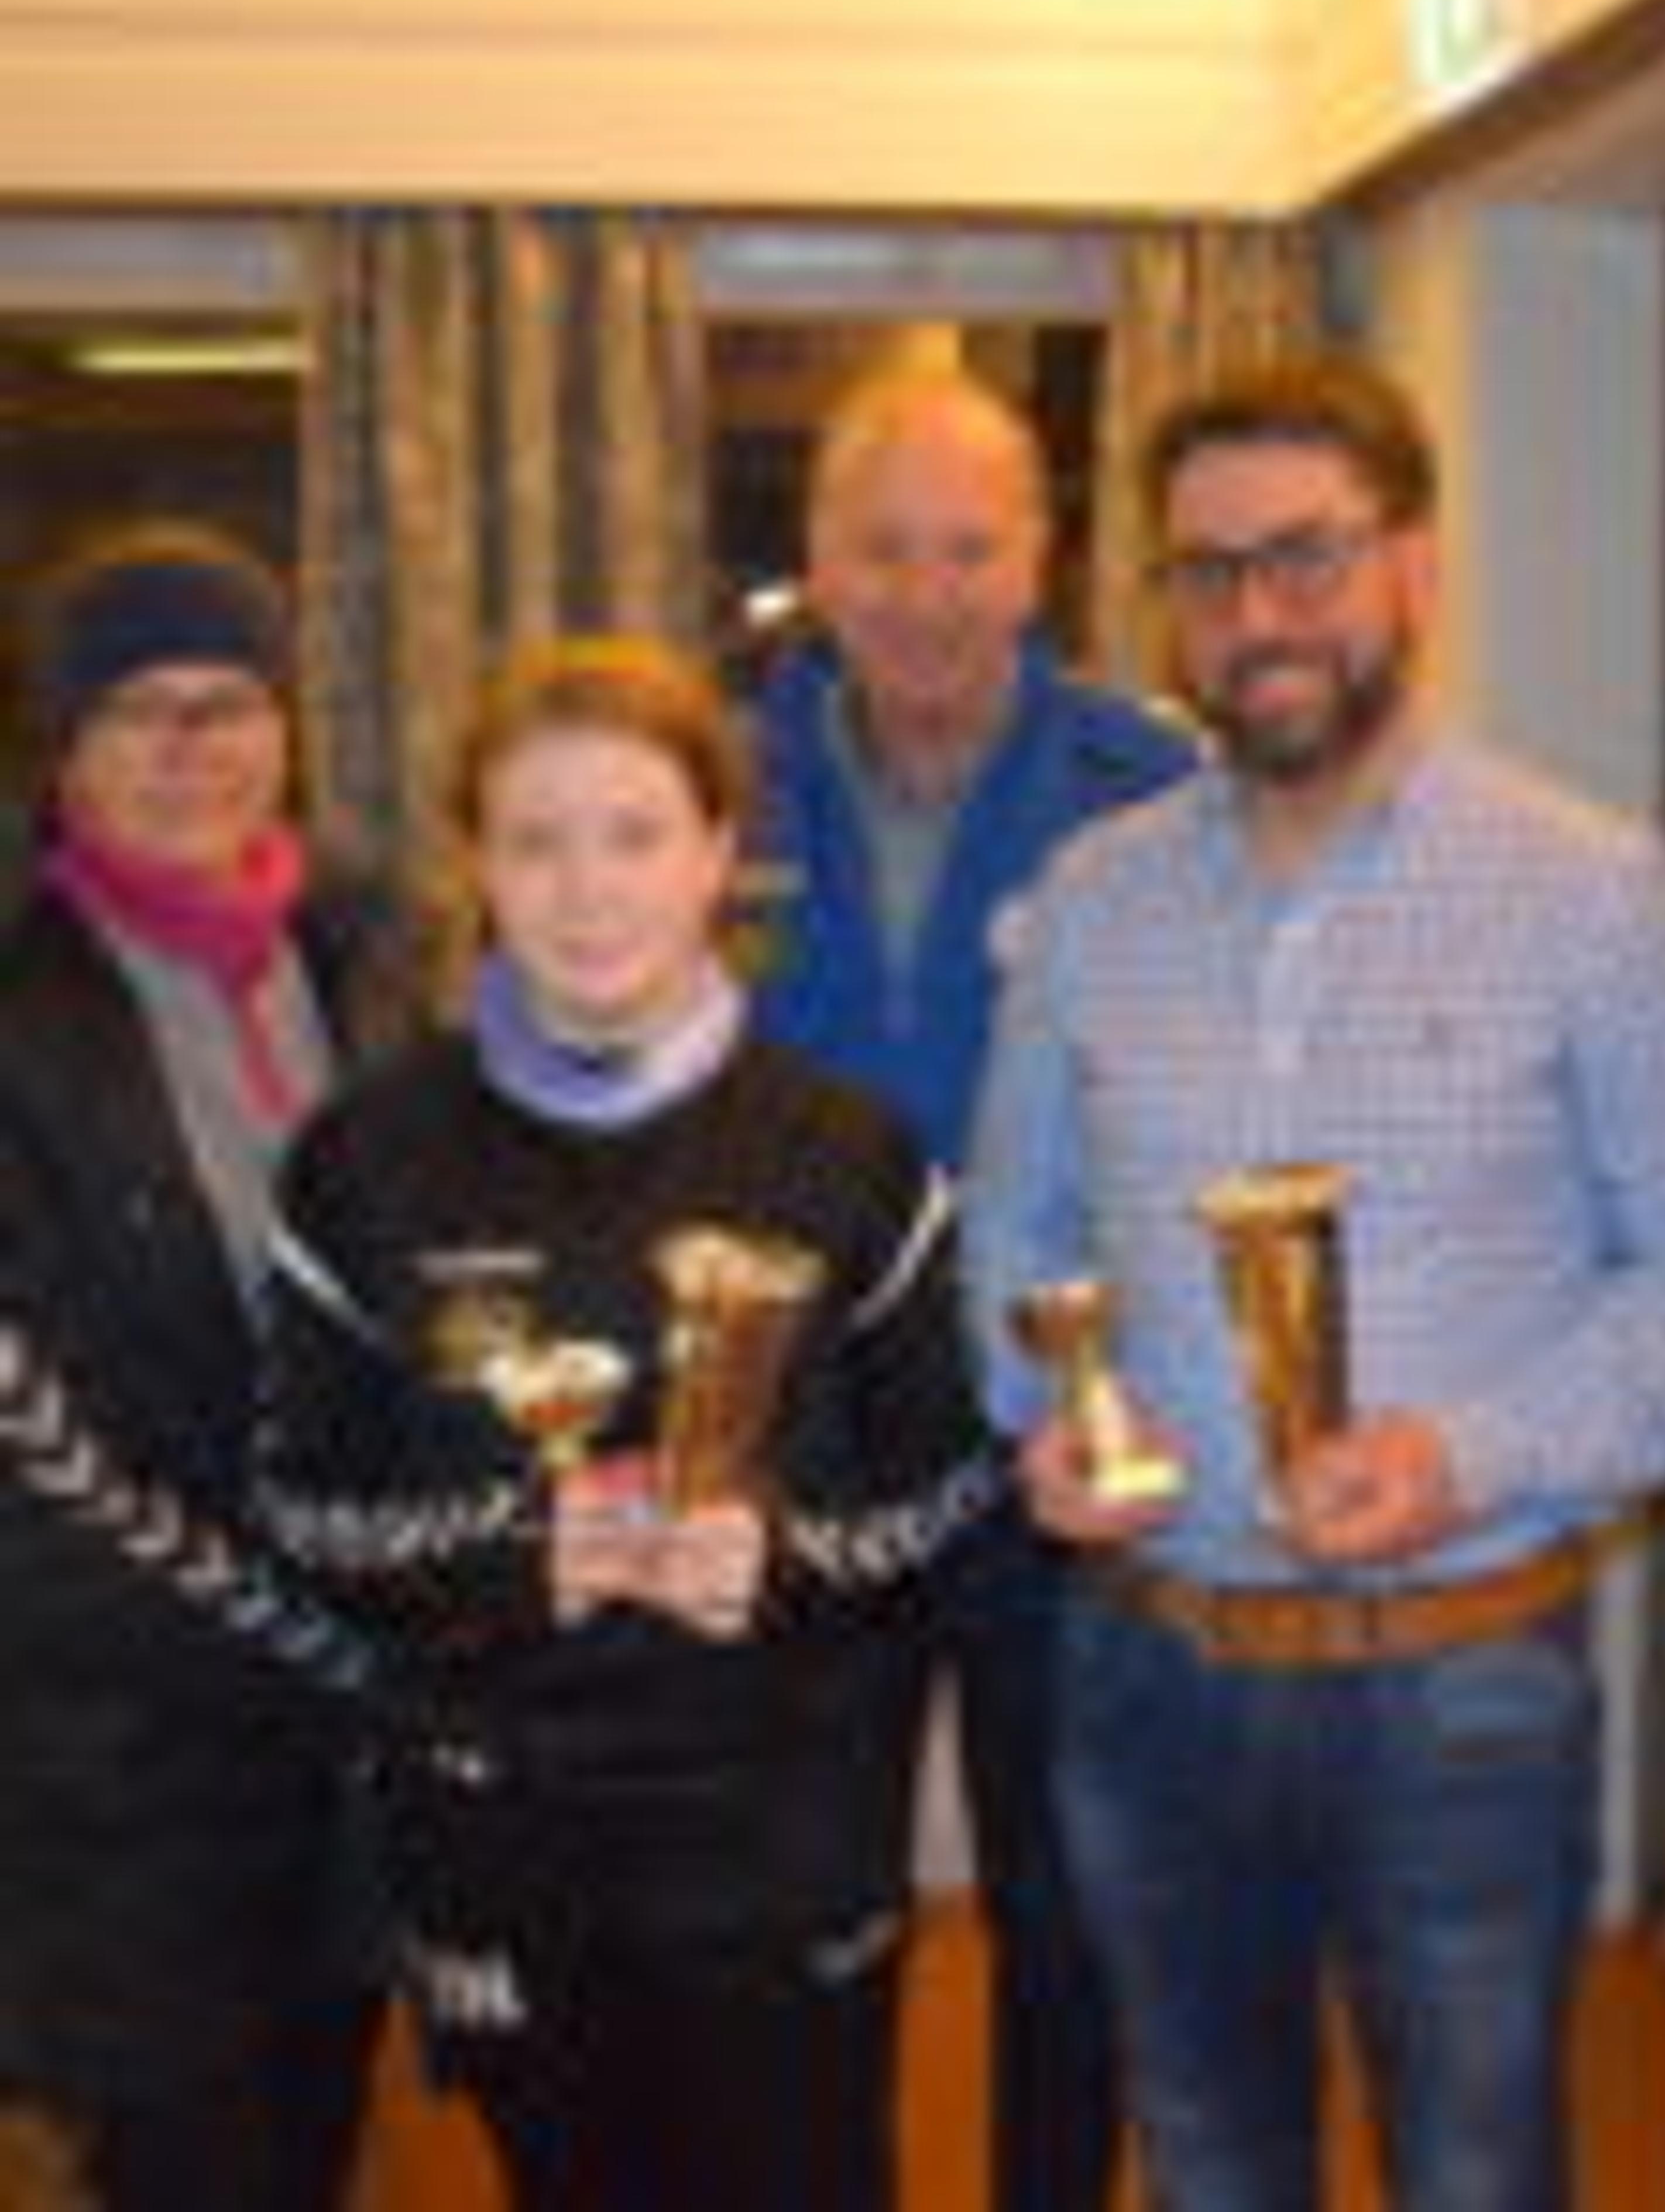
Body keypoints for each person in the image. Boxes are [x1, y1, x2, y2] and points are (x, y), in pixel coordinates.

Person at [965, 351, 1665, 2212]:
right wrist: (1050, 1412)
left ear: (1413, 564)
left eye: (1308, 557)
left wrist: (1466, 1456)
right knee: (1207, 2161)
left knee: (1476, 2173)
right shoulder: (1092, 898)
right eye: (1209, 572)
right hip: (1153, 1670)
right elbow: (1016, 1229)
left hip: (1461, 1682)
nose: (1259, 616)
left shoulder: (1590, 886)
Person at [255, 636, 995, 2212]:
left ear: (719, 853)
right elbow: (304, 1508)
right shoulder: (366, 1162)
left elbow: (947, 1482)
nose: (589, 890)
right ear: (477, 866)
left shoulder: (851, 1157)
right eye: (537, 841)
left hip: (784, 1839)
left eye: (636, 835)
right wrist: (525, 1553)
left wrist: (783, 1557)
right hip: (507, 1842)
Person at [752, 362, 1196, 2210]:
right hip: (796, 1446)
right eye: (884, 549)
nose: (927, 594)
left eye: (969, 548)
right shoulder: (708, 779)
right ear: (818, 561)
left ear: (1040, 559)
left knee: (1067, 1912)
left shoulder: (1154, 786)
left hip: (1054, 1441)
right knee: (807, 1915)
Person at [0, 524, 408, 2212]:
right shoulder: (21, 1006)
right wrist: (300, 1633)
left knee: (315, 2143)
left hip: (346, 1760)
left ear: (286, 729)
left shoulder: (360, 963)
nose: (188, 746)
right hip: (130, 1770)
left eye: (228, 700)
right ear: (63, 748)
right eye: (134, 709)